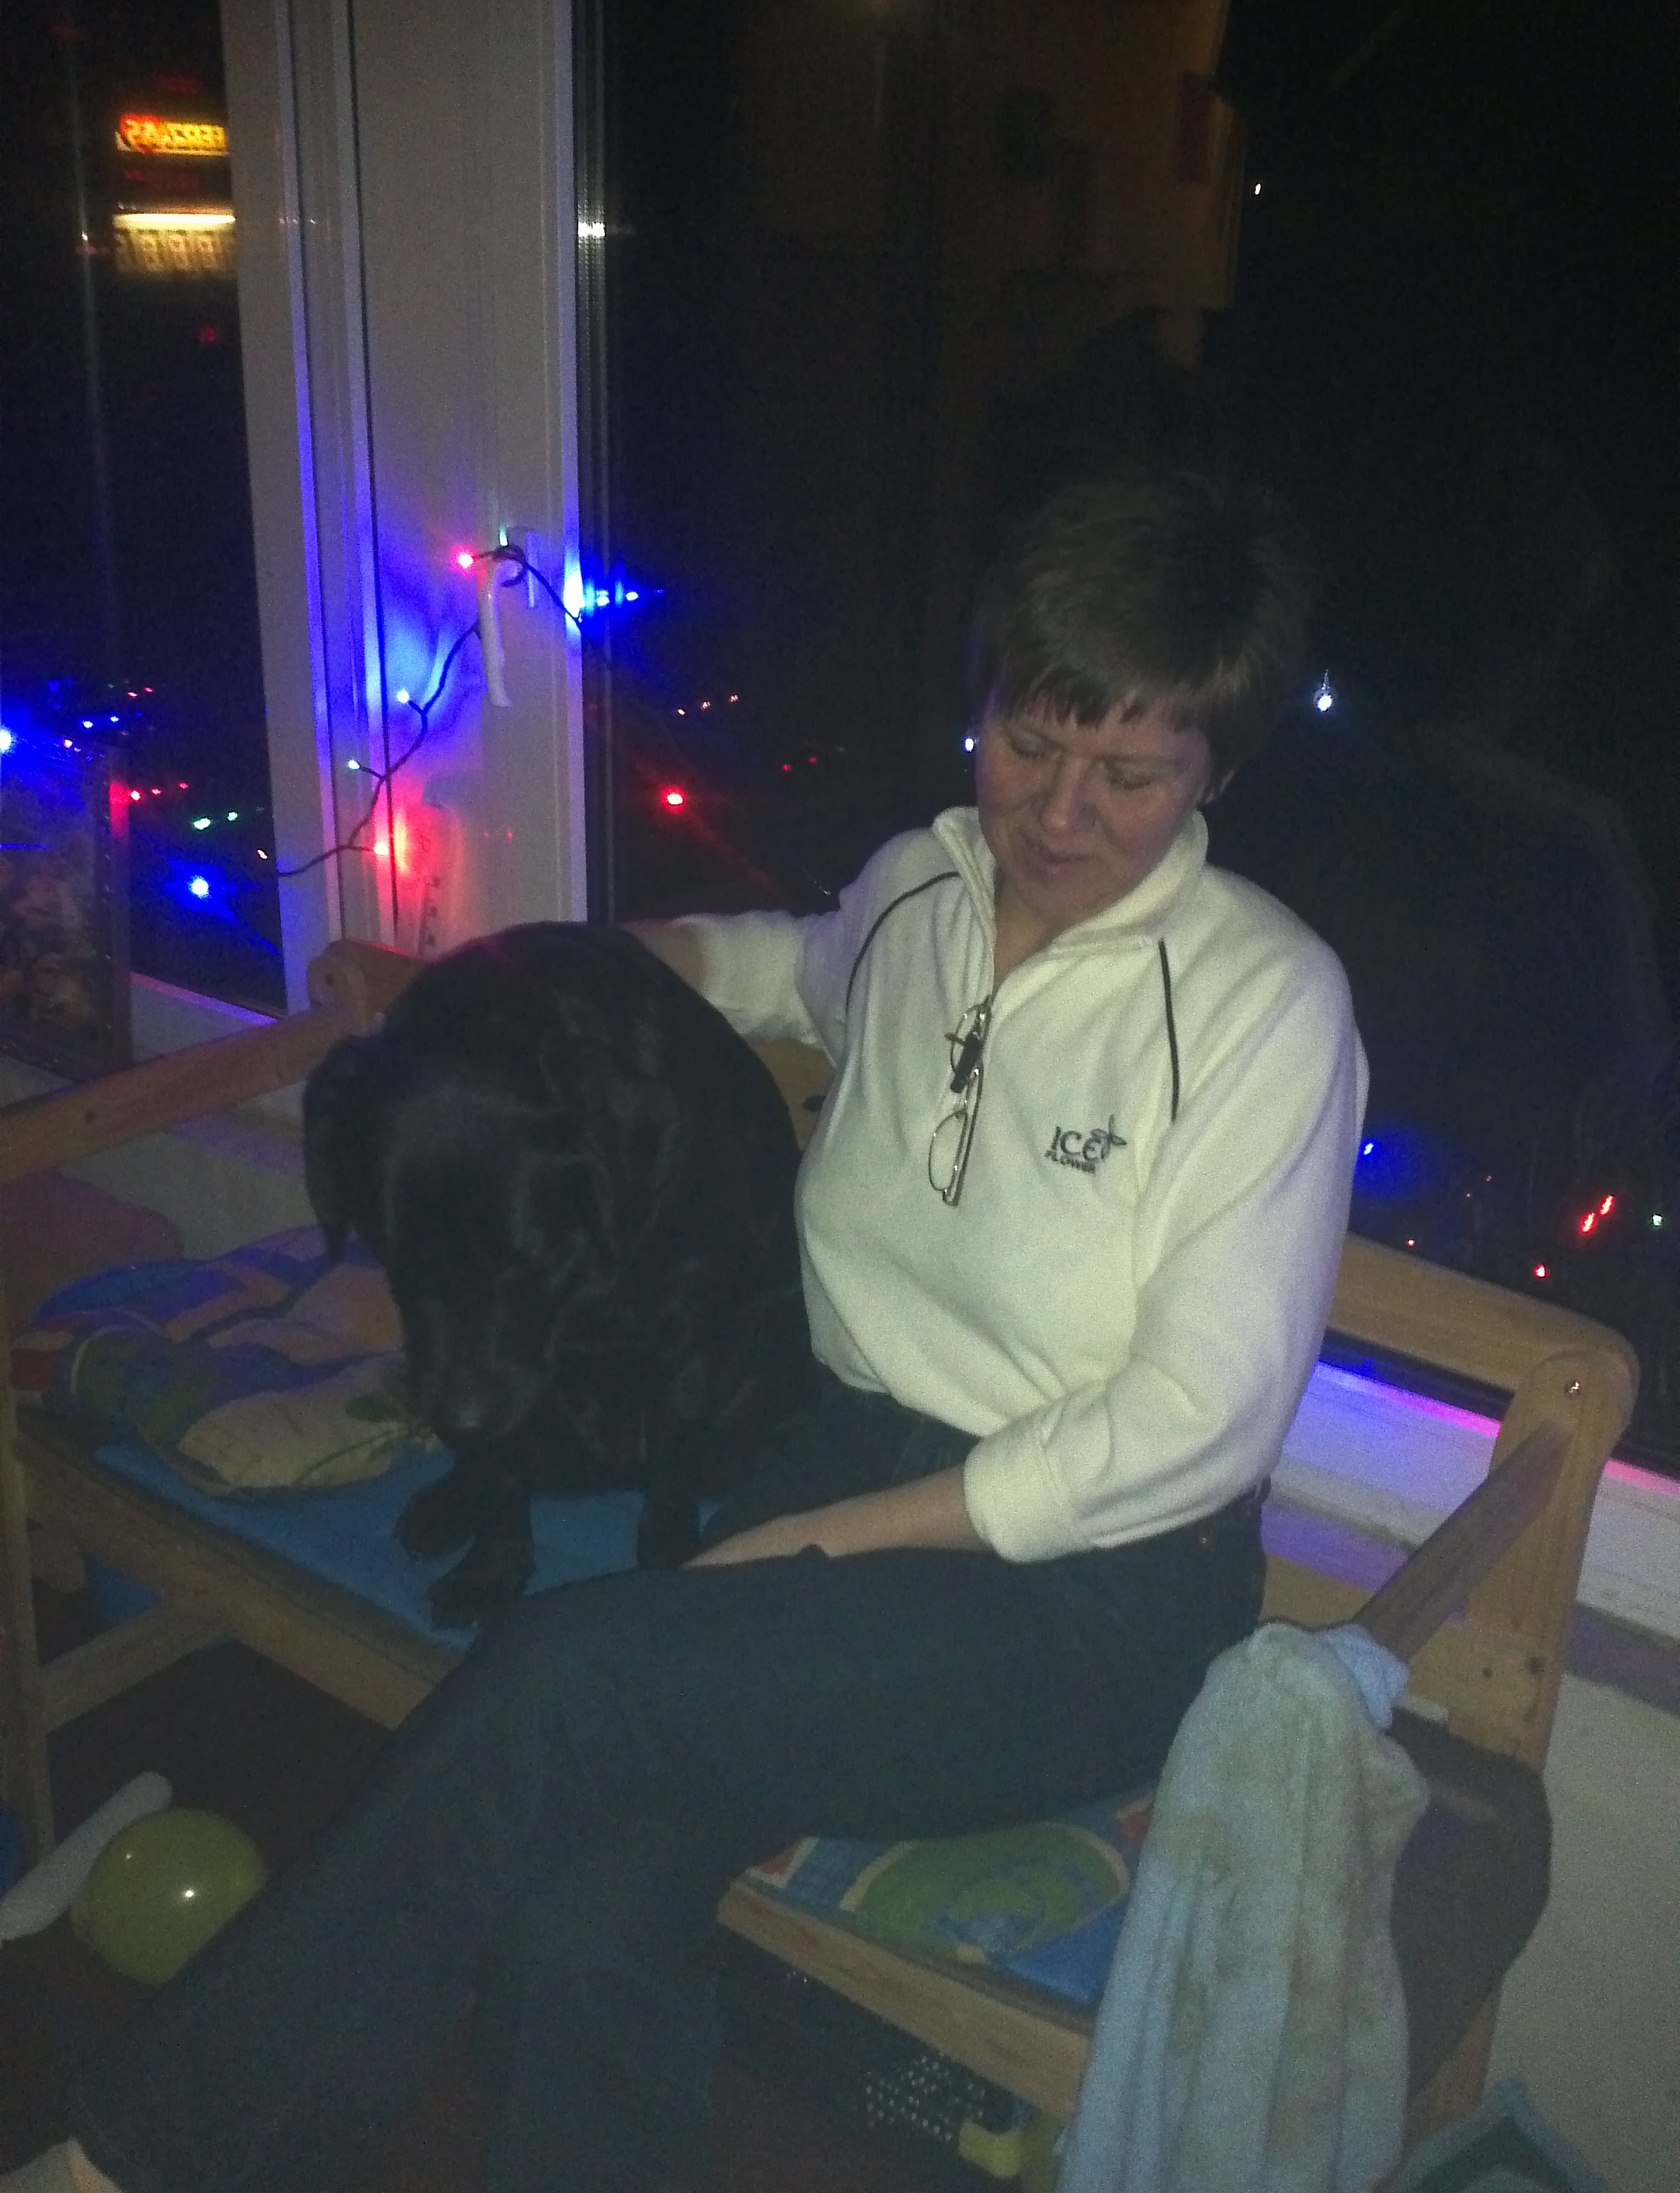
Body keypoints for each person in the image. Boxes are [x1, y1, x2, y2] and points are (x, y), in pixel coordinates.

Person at [5, 465, 1366, 2193]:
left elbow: (1200, 1426)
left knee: (563, 1679)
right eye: (1030, 744)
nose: (1060, 813)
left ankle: (135, 2161)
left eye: (1132, 776)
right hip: (841, 1464)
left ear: (1217, 774)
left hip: (1092, 1593)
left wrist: (825, 1539)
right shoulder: (920, 891)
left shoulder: (1263, 1006)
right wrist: (549, 970)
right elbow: (787, 963)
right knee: (579, 1907)